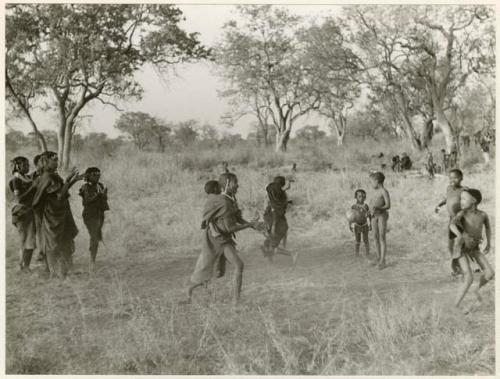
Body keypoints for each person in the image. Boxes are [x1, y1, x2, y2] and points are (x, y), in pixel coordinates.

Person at [184, 173, 260, 304]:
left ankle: (189, 291)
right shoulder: (223, 202)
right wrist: (250, 225)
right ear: (228, 183)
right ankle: (236, 302)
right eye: (235, 182)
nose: (238, 185)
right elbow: (229, 228)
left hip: (222, 239)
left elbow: (237, 218)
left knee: (219, 273)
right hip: (217, 240)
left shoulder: (230, 199)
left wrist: (252, 224)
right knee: (238, 265)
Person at [32, 151, 83, 278]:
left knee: (64, 239)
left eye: (57, 159)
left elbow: (60, 191)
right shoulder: (48, 177)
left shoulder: (52, 176)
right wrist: (69, 178)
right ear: (46, 161)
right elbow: (59, 195)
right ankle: (56, 272)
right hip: (53, 216)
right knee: (55, 243)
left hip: (60, 213)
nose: (56, 162)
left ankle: (65, 270)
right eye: (54, 160)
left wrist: (72, 180)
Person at [449, 189, 493, 311]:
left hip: (474, 248)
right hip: (461, 248)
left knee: (490, 273)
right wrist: (460, 235)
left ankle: (476, 290)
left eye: (464, 198)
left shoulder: (483, 215)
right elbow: (452, 225)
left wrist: (489, 243)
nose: (461, 201)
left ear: (474, 200)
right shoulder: (462, 214)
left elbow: (488, 228)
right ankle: (455, 306)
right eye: (461, 198)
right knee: (469, 277)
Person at [435, 169, 466, 277]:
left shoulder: (464, 190)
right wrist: (440, 204)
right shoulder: (449, 188)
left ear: (461, 178)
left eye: (455, 177)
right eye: (450, 178)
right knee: (450, 244)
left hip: (461, 220)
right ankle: (456, 266)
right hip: (451, 219)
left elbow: (469, 204)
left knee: (460, 244)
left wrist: (461, 213)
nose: (452, 180)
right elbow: (447, 198)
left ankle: (461, 268)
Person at [78, 167, 110, 271]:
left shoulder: (100, 185)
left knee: (96, 235)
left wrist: (104, 195)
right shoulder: (85, 187)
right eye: (94, 175)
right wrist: (99, 195)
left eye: (98, 174)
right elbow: (87, 201)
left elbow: (104, 199)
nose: (98, 176)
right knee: (94, 236)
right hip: (90, 215)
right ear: (88, 176)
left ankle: (93, 260)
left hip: (99, 214)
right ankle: (92, 261)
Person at [9, 156, 36, 271]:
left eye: (28, 165)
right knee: (25, 239)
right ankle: (23, 266)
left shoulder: (26, 178)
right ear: (17, 166)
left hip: (29, 211)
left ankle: (25, 266)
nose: (27, 167)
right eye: (24, 165)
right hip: (22, 212)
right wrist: (32, 188)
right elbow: (19, 198)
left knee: (30, 239)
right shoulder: (16, 180)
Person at [262, 176, 292, 261]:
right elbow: (286, 188)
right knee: (282, 229)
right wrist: (289, 181)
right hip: (275, 213)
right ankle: (274, 248)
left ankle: (269, 251)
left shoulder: (271, 190)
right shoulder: (279, 191)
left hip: (268, 214)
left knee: (272, 233)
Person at [369, 171, 391, 269]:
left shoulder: (384, 191)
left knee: (382, 238)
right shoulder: (375, 191)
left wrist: (379, 208)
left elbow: (388, 205)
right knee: (375, 237)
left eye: (372, 182)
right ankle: (378, 257)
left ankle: (383, 260)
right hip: (374, 216)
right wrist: (368, 211)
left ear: (377, 181)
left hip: (382, 216)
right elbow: (371, 203)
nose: (371, 184)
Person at [349, 189, 372, 257]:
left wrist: (370, 224)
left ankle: (368, 253)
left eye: (363, 196)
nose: (361, 198)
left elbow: (369, 215)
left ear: (365, 197)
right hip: (357, 225)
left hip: (365, 225)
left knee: (366, 240)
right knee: (357, 240)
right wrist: (350, 225)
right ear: (356, 197)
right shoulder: (354, 206)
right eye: (359, 196)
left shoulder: (366, 206)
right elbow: (351, 216)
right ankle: (357, 253)